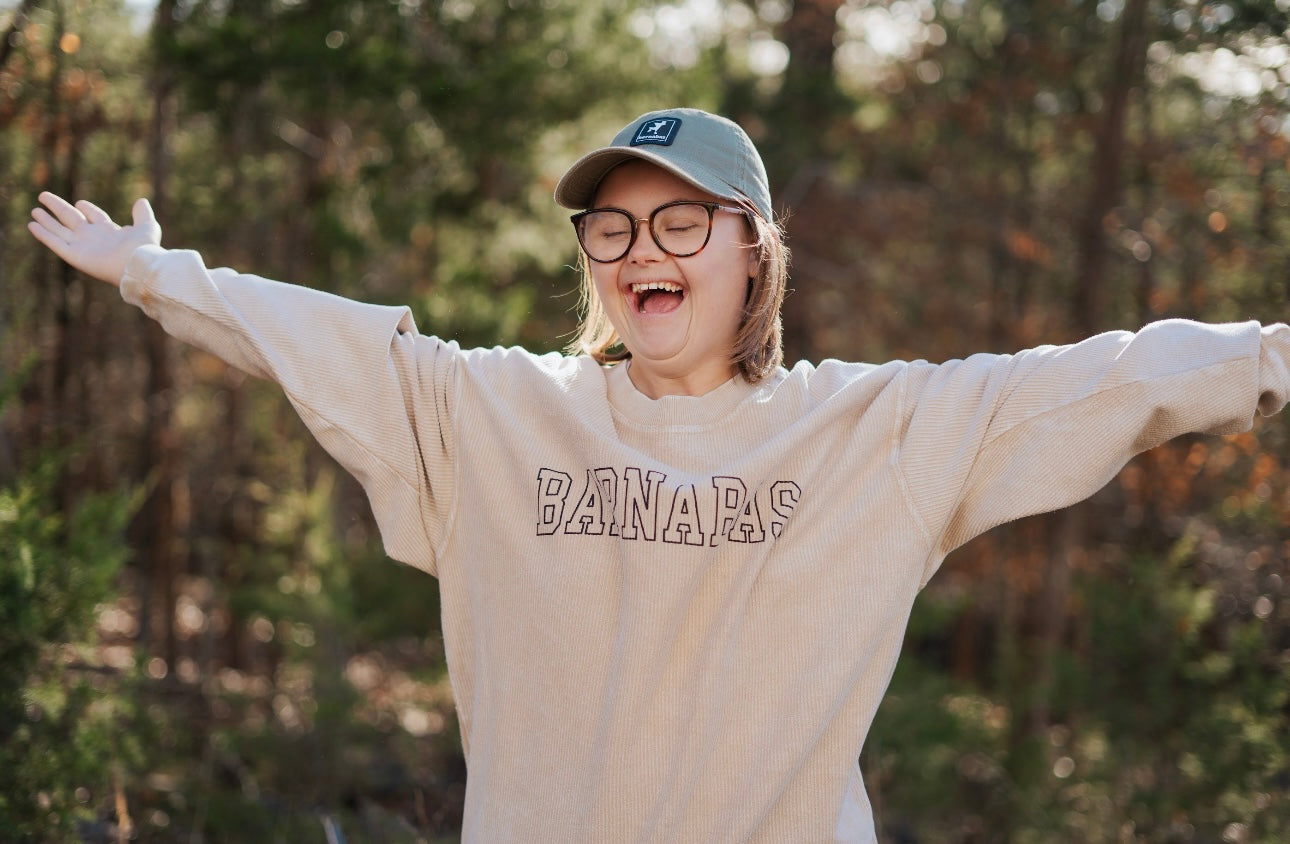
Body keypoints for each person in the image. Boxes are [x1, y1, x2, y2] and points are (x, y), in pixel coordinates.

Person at [27, 107, 1290, 842]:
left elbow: (1102, 378)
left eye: (684, 222)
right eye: (615, 228)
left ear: (755, 254)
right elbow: (312, 338)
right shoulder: (494, 413)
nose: (645, 249)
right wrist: (153, 273)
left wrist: (1271, 358)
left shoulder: (874, 433)